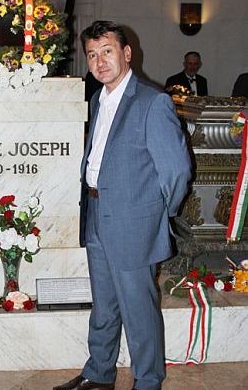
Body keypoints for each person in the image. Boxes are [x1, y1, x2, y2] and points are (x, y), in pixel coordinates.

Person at [54, 21, 191, 390]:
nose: (100, 62)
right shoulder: (98, 99)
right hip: (96, 214)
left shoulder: (152, 101)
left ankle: (147, 381)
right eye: (92, 55)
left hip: (134, 222)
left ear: (127, 54)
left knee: (138, 308)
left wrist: (156, 214)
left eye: (107, 51)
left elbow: (177, 171)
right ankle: (99, 373)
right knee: (104, 305)